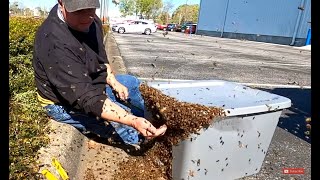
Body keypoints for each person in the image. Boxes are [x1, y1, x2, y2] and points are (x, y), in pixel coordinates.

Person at [32, 0, 167, 146]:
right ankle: (143, 136)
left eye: (91, 9)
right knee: (127, 130)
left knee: (131, 83)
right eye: (78, 11)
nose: (86, 17)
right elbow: (86, 98)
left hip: (89, 83)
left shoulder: (92, 21)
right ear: (61, 3)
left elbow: (101, 58)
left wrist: (114, 82)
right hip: (63, 102)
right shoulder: (54, 42)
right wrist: (132, 121)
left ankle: (145, 119)